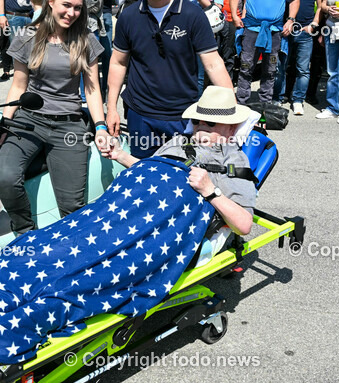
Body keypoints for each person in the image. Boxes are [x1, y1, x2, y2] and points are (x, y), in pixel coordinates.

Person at [0, 0, 110, 235]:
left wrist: (100, 126)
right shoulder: (27, 36)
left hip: (69, 126)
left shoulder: (85, 39)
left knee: (72, 207)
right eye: (66, 5)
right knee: (5, 175)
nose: (72, 13)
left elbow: (92, 90)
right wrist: (4, 123)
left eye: (78, 8)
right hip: (28, 120)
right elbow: (18, 86)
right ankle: (25, 233)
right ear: (51, 1)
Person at [105, 85, 254, 267]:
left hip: (160, 228)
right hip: (130, 207)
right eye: (197, 121)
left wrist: (210, 190)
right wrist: (120, 155)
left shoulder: (233, 160)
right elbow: (151, 172)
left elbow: (244, 225)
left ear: (231, 129)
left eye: (211, 123)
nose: (202, 127)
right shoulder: (178, 141)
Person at [106, 0, 231, 158]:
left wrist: (231, 110)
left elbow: (213, 63)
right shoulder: (129, 16)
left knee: (182, 180)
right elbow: (118, 63)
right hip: (140, 114)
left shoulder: (192, 14)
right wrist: (111, 109)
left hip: (183, 115)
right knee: (142, 178)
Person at [231, 0, 300, 108]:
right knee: (246, 67)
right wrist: (235, 15)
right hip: (252, 28)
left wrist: (291, 20)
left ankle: (265, 106)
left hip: (275, 30)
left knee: (270, 70)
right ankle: (241, 105)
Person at [287, 0, 326, 115]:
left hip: (304, 30)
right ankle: (279, 97)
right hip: (285, 28)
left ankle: (298, 100)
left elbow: (321, 5)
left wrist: (314, 24)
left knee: (303, 68)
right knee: (281, 67)